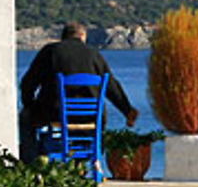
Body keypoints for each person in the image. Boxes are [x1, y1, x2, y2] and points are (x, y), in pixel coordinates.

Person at [19, 21, 138, 162]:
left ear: (63, 37)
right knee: (93, 125)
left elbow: (28, 83)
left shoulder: (50, 51)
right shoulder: (94, 55)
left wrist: (29, 105)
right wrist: (127, 111)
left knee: (25, 118)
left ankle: (31, 167)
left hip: (54, 113)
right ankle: (80, 165)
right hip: (90, 117)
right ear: (82, 36)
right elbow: (111, 87)